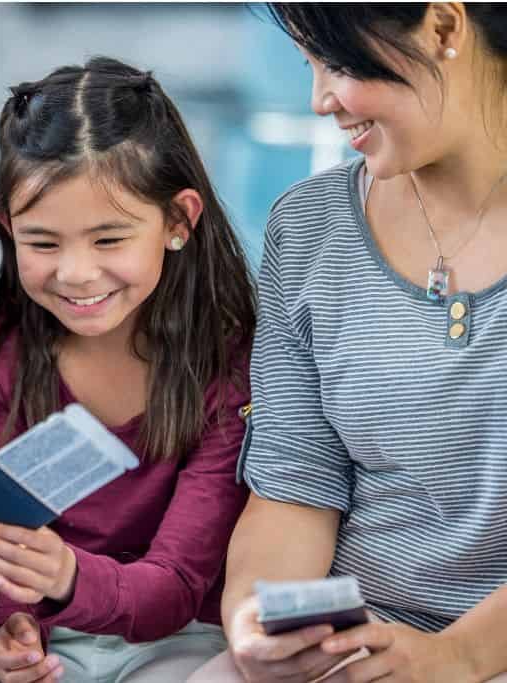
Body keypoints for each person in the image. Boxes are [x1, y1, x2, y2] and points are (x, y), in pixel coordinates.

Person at [188, 4, 507, 682]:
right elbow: (294, 488)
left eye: (335, 62)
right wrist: (257, 621)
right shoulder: (307, 229)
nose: (320, 99)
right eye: (307, 63)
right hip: (361, 648)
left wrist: (458, 656)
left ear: (444, 28)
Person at [0, 56, 256, 682]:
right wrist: (5, 634)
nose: (75, 273)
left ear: (178, 221)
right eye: (42, 243)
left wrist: (68, 574)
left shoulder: (229, 368)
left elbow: (177, 585)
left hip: (183, 641)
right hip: (55, 643)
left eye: (108, 240)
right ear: (7, 229)